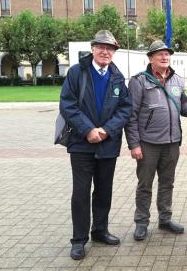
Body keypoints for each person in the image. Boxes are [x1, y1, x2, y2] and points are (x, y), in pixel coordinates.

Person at [59, 30, 132, 260]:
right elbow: (67, 105)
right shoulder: (76, 72)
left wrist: (106, 131)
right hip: (81, 144)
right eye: (101, 47)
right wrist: (88, 130)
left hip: (107, 144)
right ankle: (79, 240)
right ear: (92, 49)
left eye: (109, 48)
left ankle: (100, 231)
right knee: (81, 193)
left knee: (104, 191)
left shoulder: (117, 76)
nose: (105, 51)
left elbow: (125, 109)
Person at [125, 40, 187, 241]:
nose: (165, 57)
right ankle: (141, 223)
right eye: (160, 55)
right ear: (150, 58)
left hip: (172, 142)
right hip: (148, 143)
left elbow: (182, 103)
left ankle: (165, 219)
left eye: (167, 54)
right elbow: (130, 115)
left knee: (167, 183)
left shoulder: (177, 80)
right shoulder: (139, 81)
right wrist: (134, 144)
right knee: (145, 184)